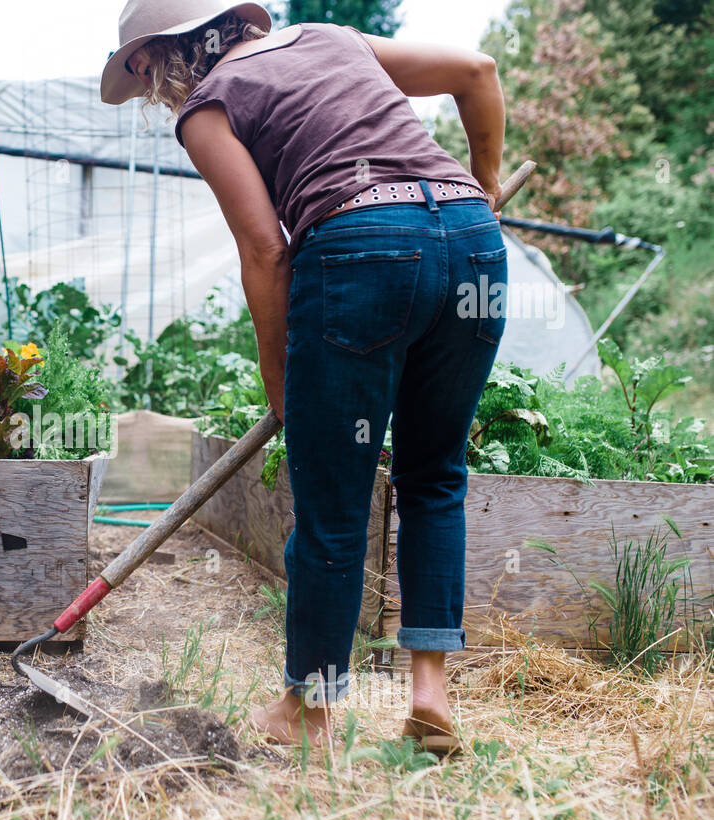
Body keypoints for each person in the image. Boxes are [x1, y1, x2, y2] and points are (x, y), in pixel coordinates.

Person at [101, 1, 509, 753]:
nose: (153, 93)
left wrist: (277, 371)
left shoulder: (206, 108)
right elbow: (477, 73)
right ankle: (430, 692)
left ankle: (309, 713)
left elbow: (265, 249)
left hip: (359, 250)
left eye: (146, 78)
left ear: (147, 62)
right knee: (434, 477)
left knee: (332, 495)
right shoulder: (332, 38)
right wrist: (481, 188)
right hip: (472, 244)